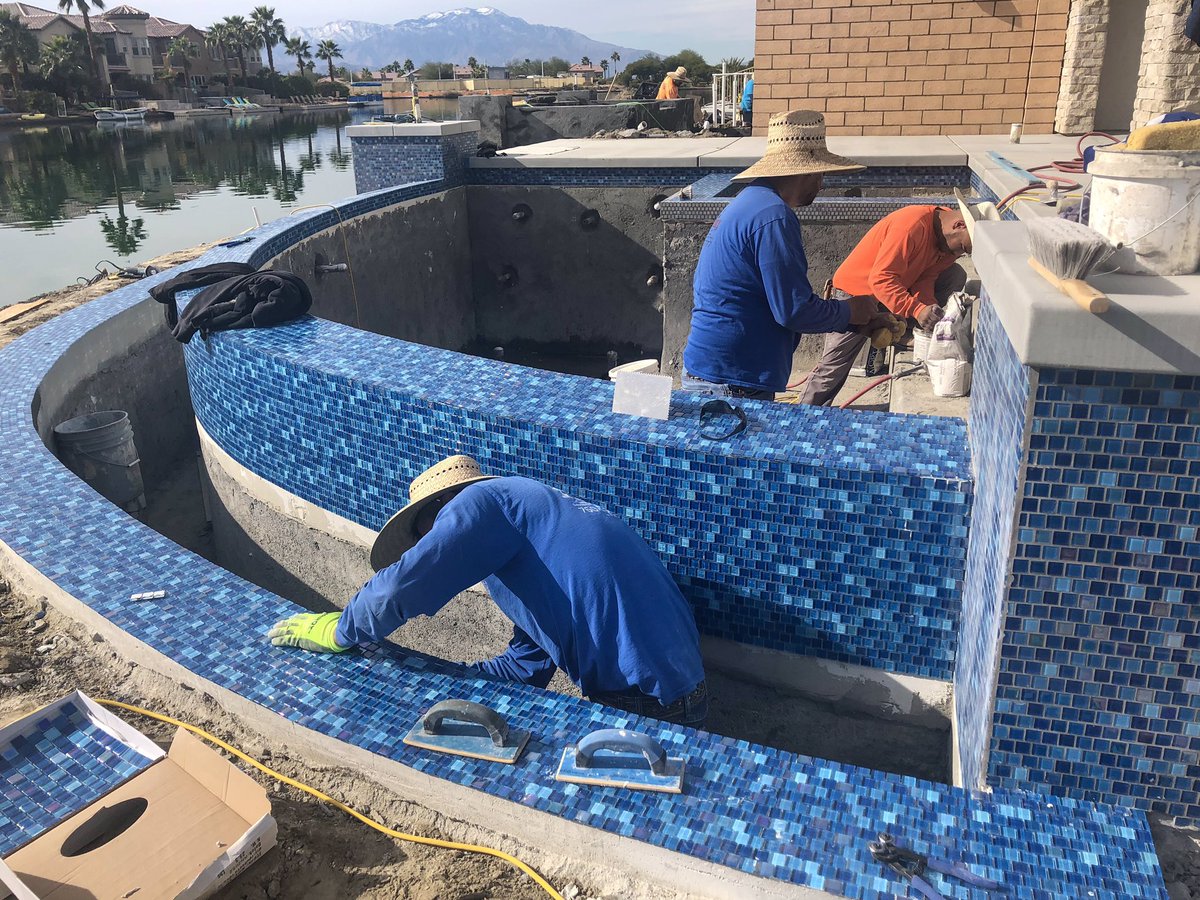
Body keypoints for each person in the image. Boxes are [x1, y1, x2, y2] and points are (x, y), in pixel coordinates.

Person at [267, 455, 709, 727]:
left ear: (444, 509)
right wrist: (451, 683)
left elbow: (400, 585)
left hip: (646, 699)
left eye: (428, 536)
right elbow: (528, 664)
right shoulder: (534, 525)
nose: (429, 546)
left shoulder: (480, 503)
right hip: (684, 692)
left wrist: (340, 631)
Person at [680, 110, 897, 400]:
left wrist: (852, 321)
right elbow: (793, 311)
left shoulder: (750, 202)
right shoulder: (774, 217)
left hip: (719, 372)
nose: (821, 184)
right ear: (804, 170)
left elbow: (782, 303)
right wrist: (851, 310)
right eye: (820, 173)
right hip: (731, 381)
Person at [798, 202, 976, 406]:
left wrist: (928, 306)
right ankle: (804, 415)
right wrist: (916, 309)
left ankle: (910, 332)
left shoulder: (946, 244)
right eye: (963, 248)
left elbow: (927, 277)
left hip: (893, 290)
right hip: (856, 295)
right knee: (833, 369)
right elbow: (881, 280)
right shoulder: (911, 226)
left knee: (954, 274)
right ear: (959, 225)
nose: (960, 254)